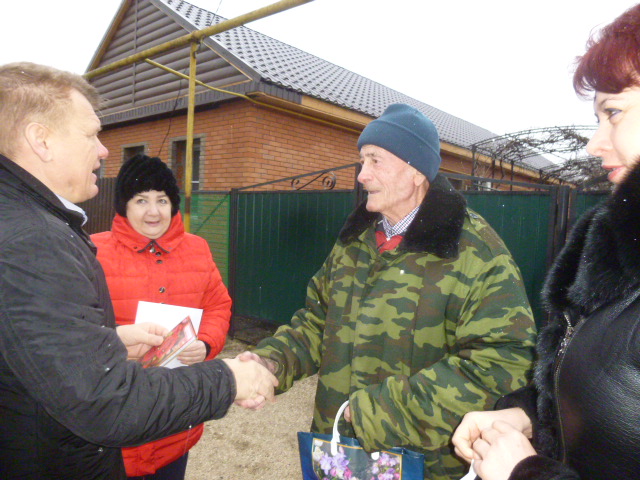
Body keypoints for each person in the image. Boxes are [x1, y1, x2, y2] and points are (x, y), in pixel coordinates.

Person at [0, 62, 277, 480]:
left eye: (162, 200)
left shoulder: (28, 224)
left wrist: (109, 343)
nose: (103, 149)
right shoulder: (34, 241)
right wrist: (228, 379)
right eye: (91, 134)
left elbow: (39, 352)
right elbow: (104, 402)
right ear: (42, 140)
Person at [239, 103, 537, 480]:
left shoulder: (476, 253)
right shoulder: (354, 243)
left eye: (375, 161)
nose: (362, 175)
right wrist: (271, 363)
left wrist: (383, 411)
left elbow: (503, 365)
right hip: (339, 454)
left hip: (425, 463)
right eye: (362, 161)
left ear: (416, 171)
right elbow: (316, 324)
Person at [451, 5, 640, 479]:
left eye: (613, 112)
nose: (594, 145)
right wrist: (525, 417)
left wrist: (524, 473)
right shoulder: (611, 246)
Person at [91, 154, 232, 480]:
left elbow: (218, 305)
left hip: (174, 418)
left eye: (162, 200)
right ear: (124, 206)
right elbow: (74, 323)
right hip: (115, 416)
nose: (153, 211)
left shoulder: (197, 249)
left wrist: (206, 343)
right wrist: (116, 340)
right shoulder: (93, 251)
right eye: (141, 200)